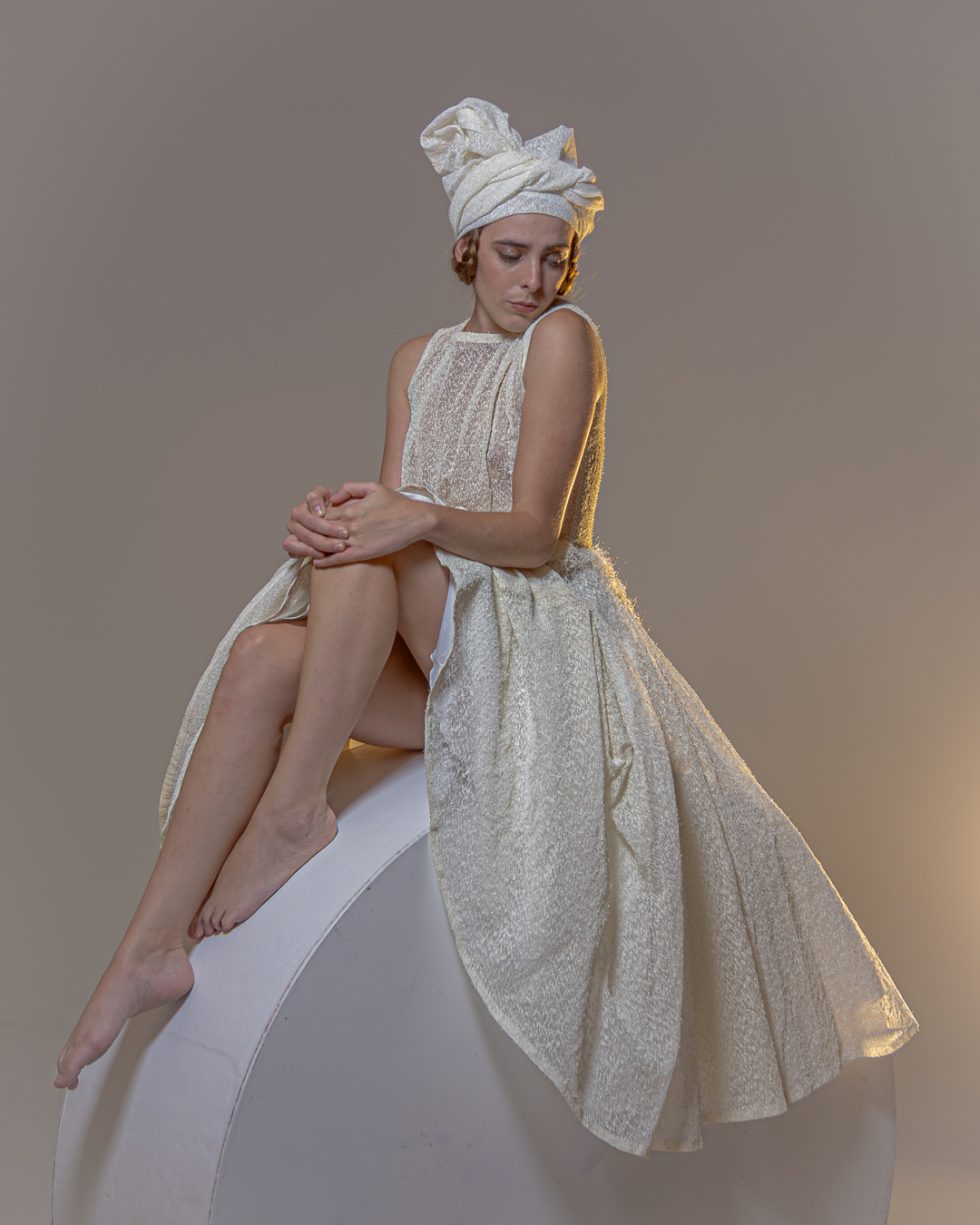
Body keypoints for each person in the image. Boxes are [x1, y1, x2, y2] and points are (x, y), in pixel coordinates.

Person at [55, 97, 919, 1156]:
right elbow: (386, 530)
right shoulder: (417, 359)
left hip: (537, 641)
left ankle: (289, 813)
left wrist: (401, 517)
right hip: (434, 639)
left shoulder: (565, 342)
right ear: (466, 250)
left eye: (554, 260)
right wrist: (327, 521)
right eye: (512, 256)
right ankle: (145, 947)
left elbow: (531, 533)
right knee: (260, 654)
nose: (535, 281)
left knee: (376, 546)